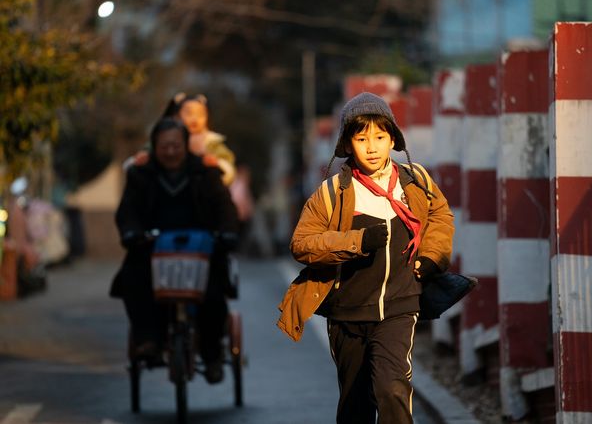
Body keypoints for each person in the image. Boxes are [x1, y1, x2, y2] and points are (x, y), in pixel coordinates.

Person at [277, 92, 455, 423]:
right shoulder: (332, 192)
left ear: (393, 140)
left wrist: (432, 256)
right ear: (347, 144)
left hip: (399, 309)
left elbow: (440, 215)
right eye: (361, 138)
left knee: (392, 390)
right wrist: (357, 240)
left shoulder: (414, 180)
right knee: (355, 405)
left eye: (380, 137)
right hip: (347, 314)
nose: (371, 147)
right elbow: (302, 243)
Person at [111, 118, 238, 383]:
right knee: (133, 278)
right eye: (164, 146)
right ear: (155, 146)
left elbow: (224, 207)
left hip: (201, 250)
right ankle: (148, 341)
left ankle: (212, 353)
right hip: (152, 248)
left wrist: (226, 233)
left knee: (214, 292)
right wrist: (132, 233)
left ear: (185, 146)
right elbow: (128, 211)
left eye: (176, 146)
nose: (170, 152)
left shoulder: (205, 171)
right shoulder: (140, 173)